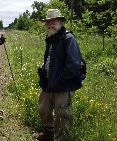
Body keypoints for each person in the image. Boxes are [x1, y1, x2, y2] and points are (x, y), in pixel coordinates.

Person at [35, 9, 83, 140]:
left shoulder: (69, 39)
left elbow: (74, 64)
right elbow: (52, 60)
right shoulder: (51, 39)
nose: (50, 24)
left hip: (63, 85)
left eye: (53, 21)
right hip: (48, 83)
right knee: (43, 109)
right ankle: (48, 133)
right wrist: (44, 70)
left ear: (60, 21)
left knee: (63, 115)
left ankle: (62, 139)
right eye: (48, 22)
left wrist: (61, 80)